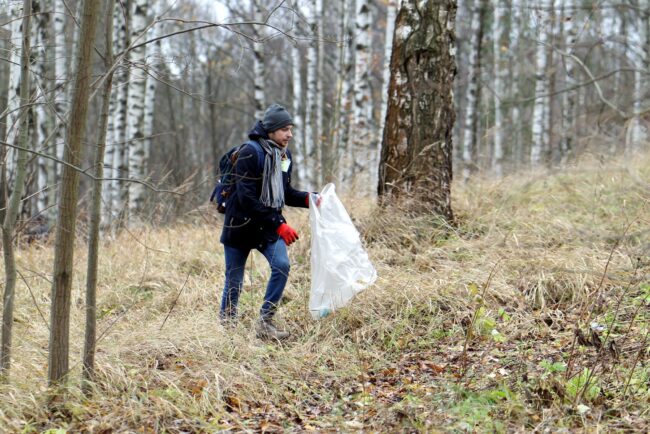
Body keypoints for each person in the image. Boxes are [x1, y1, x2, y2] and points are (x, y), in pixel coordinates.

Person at [219, 103, 319, 340]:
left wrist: (311, 199)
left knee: (282, 266)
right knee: (234, 280)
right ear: (271, 130)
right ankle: (227, 329)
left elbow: (284, 192)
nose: (289, 134)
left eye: (291, 129)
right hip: (240, 227)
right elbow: (246, 198)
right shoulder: (249, 153)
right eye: (285, 129)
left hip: (266, 228)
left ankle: (265, 321)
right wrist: (279, 224)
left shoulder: (284, 155)